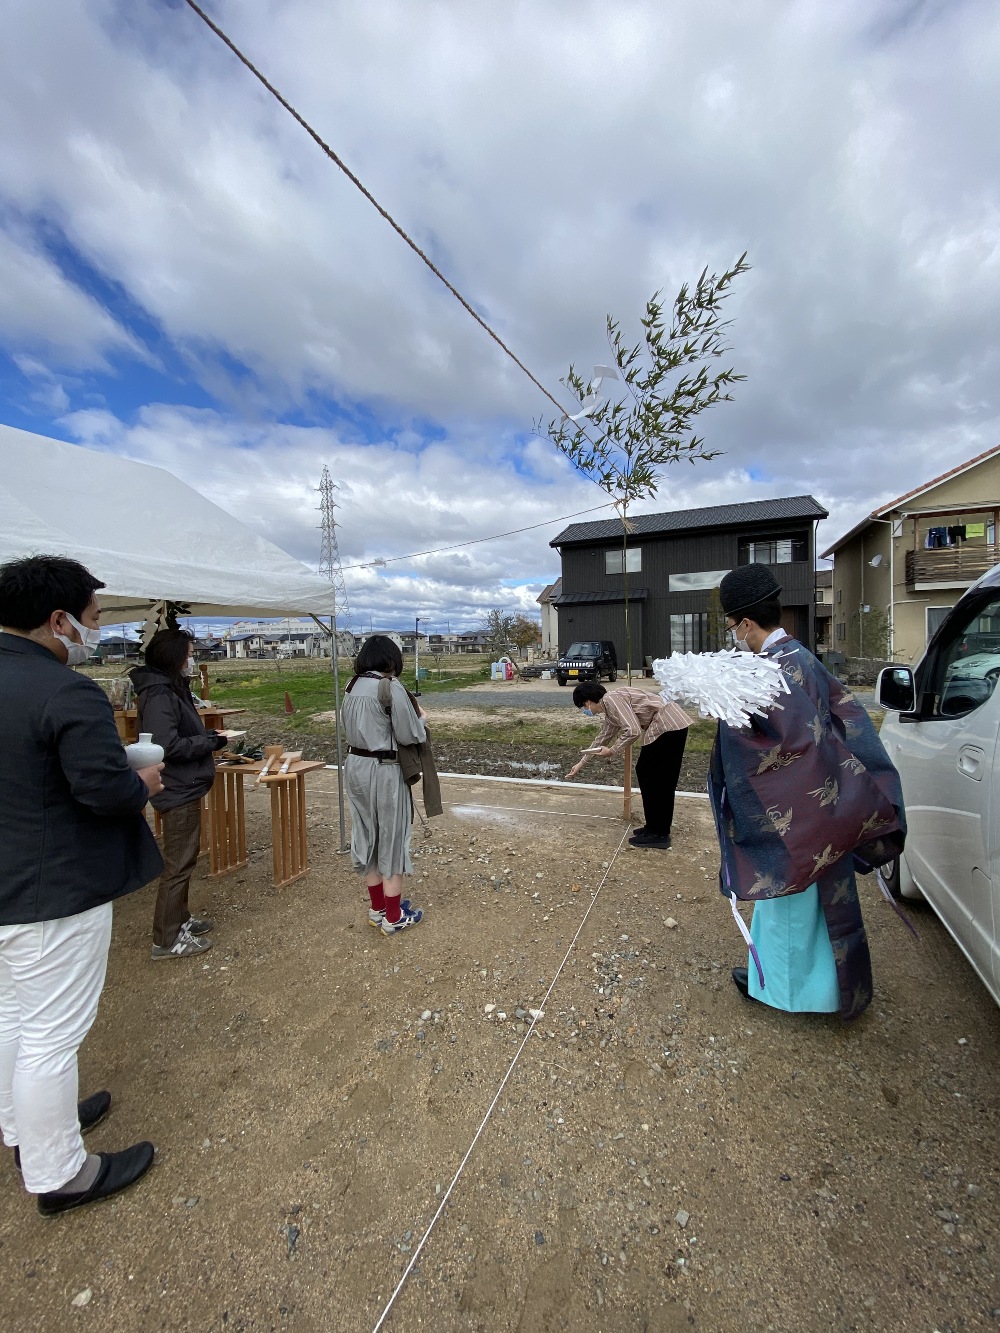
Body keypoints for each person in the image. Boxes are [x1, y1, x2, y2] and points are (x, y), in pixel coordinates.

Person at [0, 554, 164, 1215]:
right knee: (51, 1035)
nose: (95, 631)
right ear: (59, 619)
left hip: (8, 880)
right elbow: (101, 790)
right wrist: (141, 783)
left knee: (13, 1017)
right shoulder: (67, 691)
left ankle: (24, 1129)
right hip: (53, 889)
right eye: (94, 618)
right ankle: (61, 1172)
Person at [710, 565, 906, 1021]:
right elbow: (832, 726)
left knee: (792, 906)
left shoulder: (773, 671)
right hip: (824, 798)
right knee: (821, 909)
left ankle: (785, 992)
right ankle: (827, 990)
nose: (733, 636)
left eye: (731, 627)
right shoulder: (800, 657)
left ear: (744, 623)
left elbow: (782, 745)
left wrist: (729, 713)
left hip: (799, 813)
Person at [130, 630, 230, 959]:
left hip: (183, 782)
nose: (191, 660)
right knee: (179, 862)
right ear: (173, 657)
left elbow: (177, 732)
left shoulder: (170, 688)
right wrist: (209, 742)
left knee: (184, 857)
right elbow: (166, 745)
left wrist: (205, 734)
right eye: (188, 654)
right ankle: (167, 939)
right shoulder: (159, 693)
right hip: (177, 785)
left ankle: (180, 919)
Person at [343, 636, 427, 935]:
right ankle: (393, 917)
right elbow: (409, 735)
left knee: (367, 835)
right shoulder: (390, 687)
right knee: (392, 838)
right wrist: (423, 721)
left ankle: (378, 908)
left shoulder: (351, 686)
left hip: (355, 766)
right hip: (385, 769)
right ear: (391, 659)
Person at [566, 681, 691, 848]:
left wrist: (613, 751)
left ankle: (659, 833)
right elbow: (602, 738)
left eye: (582, 707)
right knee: (651, 774)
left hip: (667, 726)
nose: (585, 711)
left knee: (655, 777)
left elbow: (632, 730)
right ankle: (654, 828)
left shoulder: (611, 699)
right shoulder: (610, 708)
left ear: (588, 702)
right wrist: (580, 764)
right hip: (668, 725)